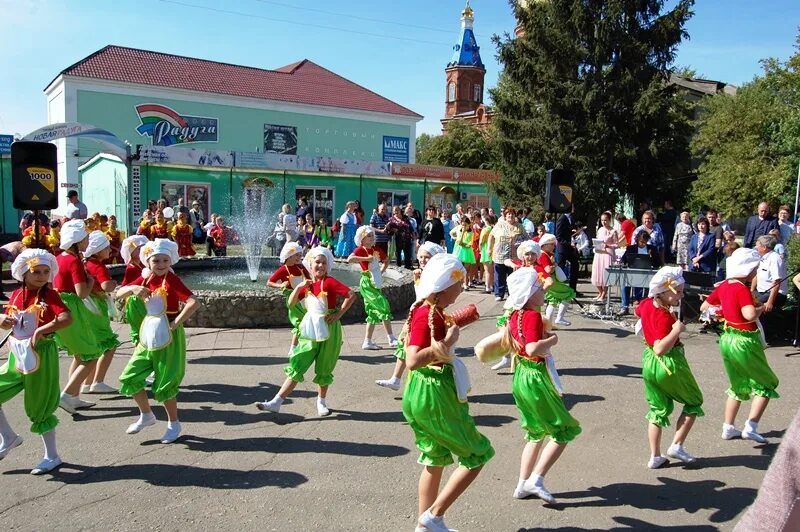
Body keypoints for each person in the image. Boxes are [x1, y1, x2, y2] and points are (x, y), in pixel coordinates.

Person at [401, 253, 494, 532]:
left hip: (422, 390)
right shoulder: (426, 313)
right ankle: (434, 514)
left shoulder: (429, 310)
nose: (462, 288)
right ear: (444, 286)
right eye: (459, 283)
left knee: (435, 457)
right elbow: (413, 359)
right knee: (477, 454)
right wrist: (447, 342)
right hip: (433, 391)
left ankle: (424, 527)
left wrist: (451, 327)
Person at [498, 267, 580, 503]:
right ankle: (536, 479)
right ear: (529, 294)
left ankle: (523, 483)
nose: (544, 289)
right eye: (539, 287)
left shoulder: (515, 315)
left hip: (521, 373)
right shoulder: (532, 316)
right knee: (563, 430)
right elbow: (534, 348)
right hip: (534, 375)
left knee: (535, 432)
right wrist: (552, 339)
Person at [256, 247, 357, 416]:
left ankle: (321, 402)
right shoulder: (308, 285)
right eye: (317, 262)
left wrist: (338, 314)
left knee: (324, 367)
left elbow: (351, 295)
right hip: (310, 328)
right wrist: (299, 287)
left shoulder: (330, 282)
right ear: (310, 263)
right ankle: (276, 401)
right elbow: (291, 302)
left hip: (329, 328)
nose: (320, 266)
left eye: (324, 263)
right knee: (299, 363)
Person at [117, 239, 198, 443]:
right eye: (156, 260)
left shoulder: (171, 280)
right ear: (148, 261)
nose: (161, 264)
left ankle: (173, 424)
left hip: (168, 335)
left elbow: (193, 302)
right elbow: (118, 292)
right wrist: (133, 289)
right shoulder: (145, 278)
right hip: (148, 334)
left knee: (164, 383)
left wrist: (176, 323)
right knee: (130, 377)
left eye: (165, 260)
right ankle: (146, 415)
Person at [0, 249, 72, 475]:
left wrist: (43, 329)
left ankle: (52, 455)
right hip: (17, 353)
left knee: (39, 404)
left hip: (42, 353)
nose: (42, 276)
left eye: (46, 271)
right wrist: (2, 320)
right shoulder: (16, 295)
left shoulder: (49, 295)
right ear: (22, 273)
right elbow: (12, 322)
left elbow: (66, 318)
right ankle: (9, 437)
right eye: (36, 272)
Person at [701, 248, 779, 444]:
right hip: (745, 340)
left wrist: (724, 311)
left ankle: (728, 426)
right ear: (747, 270)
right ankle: (751, 427)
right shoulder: (741, 289)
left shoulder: (724, 285)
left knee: (737, 384)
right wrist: (759, 308)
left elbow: (705, 307)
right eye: (754, 269)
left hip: (727, 339)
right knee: (767, 383)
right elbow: (749, 315)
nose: (755, 272)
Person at [636, 267, 704, 469]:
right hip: (668, 364)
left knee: (657, 409)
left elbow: (638, 310)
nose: (681, 296)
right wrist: (676, 330)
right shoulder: (665, 316)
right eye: (679, 292)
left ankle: (655, 456)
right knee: (694, 401)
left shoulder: (647, 303)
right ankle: (677, 445)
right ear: (664, 291)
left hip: (648, 363)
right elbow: (660, 348)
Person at [375, 241, 444, 392]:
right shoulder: (420, 273)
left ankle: (421, 384)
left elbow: (428, 298)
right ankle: (396, 379)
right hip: (416, 315)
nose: (422, 260)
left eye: (427, 257)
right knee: (405, 345)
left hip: (427, 316)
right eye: (420, 256)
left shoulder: (436, 277)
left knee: (421, 350)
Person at [52, 220, 103, 414]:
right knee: (91, 353)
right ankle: (67, 394)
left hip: (60, 305)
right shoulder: (74, 260)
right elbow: (81, 292)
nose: (87, 240)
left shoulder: (60, 257)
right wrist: (90, 281)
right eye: (85, 237)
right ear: (78, 240)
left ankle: (73, 396)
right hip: (72, 307)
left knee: (79, 353)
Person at [81, 231, 121, 394]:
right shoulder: (98, 266)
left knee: (94, 346)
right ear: (97, 251)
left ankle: (86, 382)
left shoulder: (85, 263)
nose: (109, 251)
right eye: (106, 248)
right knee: (108, 345)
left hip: (87, 305)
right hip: (97, 305)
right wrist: (113, 283)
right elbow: (105, 286)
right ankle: (98, 381)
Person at [348, 227, 397, 350]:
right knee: (383, 305)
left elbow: (386, 260)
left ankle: (367, 341)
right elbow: (350, 259)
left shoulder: (376, 249)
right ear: (362, 238)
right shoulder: (360, 250)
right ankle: (391, 338)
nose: (371, 237)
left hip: (376, 280)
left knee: (372, 313)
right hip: (366, 282)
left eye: (371, 235)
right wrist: (365, 259)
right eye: (368, 235)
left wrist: (381, 271)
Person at [268, 242, 310, 355]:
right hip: (294, 301)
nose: (299, 257)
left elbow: (309, 279)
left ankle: (323, 339)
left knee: (312, 318)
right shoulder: (282, 270)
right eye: (297, 255)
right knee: (301, 322)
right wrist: (280, 285)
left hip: (305, 298)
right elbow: (269, 282)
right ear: (289, 256)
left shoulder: (301, 267)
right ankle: (293, 348)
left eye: (299, 255)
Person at [620, 231, 663, 314]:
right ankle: (624, 307)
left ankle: (642, 307)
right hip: (632, 273)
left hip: (647, 274)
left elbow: (658, 263)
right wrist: (622, 263)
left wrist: (651, 257)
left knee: (646, 286)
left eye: (645, 242)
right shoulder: (631, 248)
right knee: (624, 284)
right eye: (641, 241)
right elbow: (623, 259)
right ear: (637, 240)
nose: (643, 243)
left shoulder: (652, 249)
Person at [118, 235, 150, 347]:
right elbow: (125, 286)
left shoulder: (142, 264)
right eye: (139, 248)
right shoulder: (131, 268)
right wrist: (142, 278)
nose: (143, 250)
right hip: (135, 301)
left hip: (144, 300)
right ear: (131, 252)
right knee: (139, 328)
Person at [488, 209, 521, 301]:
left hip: (514, 255)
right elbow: (491, 236)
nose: (510, 216)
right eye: (508, 214)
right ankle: (499, 293)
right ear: (505, 216)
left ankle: (512, 293)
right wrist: (489, 249)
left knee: (513, 274)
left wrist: (516, 240)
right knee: (499, 274)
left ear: (515, 216)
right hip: (500, 254)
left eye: (512, 214)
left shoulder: (519, 226)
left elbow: (526, 238)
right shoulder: (499, 225)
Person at [752, 235, 788, 312]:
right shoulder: (763, 258)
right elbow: (757, 276)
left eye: (757, 245)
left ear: (764, 247)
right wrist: (751, 291)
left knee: (751, 306)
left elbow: (777, 282)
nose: (756, 247)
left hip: (776, 294)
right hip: (761, 292)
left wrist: (770, 302)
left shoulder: (775, 259)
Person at [592, 212, 619, 302]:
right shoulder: (600, 229)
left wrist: (608, 245)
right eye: (602, 220)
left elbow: (616, 244)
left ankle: (604, 294)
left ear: (609, 220)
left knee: (606, 274)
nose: (604, 222)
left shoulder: (613, 231)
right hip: (599, 253)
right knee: (597, 272)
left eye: (605, 220)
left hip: (607, 254)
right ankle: (600, 292)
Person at [555, 209, 579, 292]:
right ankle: (558, 289)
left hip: (570, 248)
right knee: (560, 268)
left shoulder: (571, 217)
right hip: (563, 248)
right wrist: (569, 243)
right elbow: (558, 237)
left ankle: (573, 289)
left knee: (575, 264)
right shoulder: (562, 218)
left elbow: (569, 231)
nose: (573, 208)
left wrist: (574, 232)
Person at [451, 216, 476, 290]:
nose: (464, 226)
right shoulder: (459, 229)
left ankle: (465, 283)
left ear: (469, 224)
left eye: (465, 225)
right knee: (458, 267)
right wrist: (456, 238)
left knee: (466, 269)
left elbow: (470, 244)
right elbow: (452, 233)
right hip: (458, 250)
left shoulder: (471, 232)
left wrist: (464, 244)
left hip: (467, 252)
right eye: (462, 225)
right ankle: (457, 283)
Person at [479, 214, 496, 294]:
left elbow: (481, 241)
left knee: (487, 270)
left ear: (487, 221)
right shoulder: (494, 228)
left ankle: (487, 287)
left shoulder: (485, 229)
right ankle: (491, 285)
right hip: (493, 249)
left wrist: (479, 248)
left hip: (486, 249)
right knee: (491, 270)